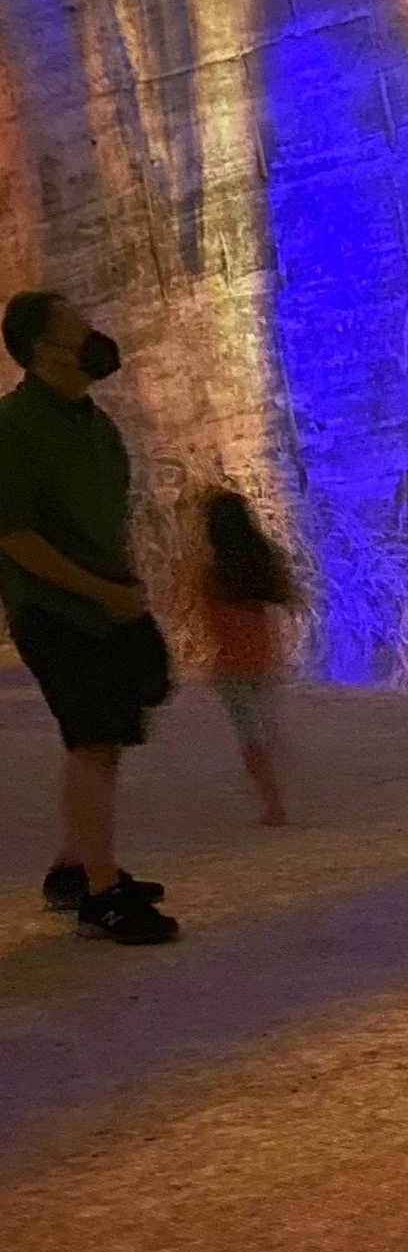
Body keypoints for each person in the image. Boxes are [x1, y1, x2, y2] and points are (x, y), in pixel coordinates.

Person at [0, 291, 177, 943]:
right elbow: (16, 538)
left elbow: (110, 519)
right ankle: (103, 894)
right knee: (94, 741)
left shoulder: (97, 427)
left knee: (101, 743)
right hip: (53, 610)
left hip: (104, 606)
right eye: (76, 327)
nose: (92, 335)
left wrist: (126, 588)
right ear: (43, 349)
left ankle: (74, 868)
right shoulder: (14, 427)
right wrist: (99, 592)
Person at [199, 490, 297, 825]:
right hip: (263, 658)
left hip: (232, 666)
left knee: (250, 739)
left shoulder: (214, 574)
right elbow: (286, 597)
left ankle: (274, 805)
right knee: (263, 727)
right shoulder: (262, 565)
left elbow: (211, 621)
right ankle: (280, 785)